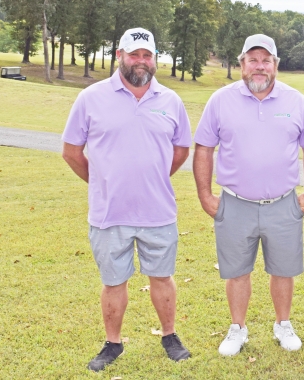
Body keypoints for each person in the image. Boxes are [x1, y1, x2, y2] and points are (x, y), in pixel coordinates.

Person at [61, 27, 192, 371]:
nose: (141, 61)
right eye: (133, 54)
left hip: (157, 211)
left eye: (147, 55)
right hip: (109, 213)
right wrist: (100, 181)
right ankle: (113, 343)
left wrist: (156, 178)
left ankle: (169, 335)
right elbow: (72, 151)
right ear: (119, 55)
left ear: (154, 59)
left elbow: (180, 151)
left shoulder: (171, 101)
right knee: (113, 281)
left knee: (161, 277)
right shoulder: (91, 98)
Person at [192, 34, 304, 356]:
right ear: (241, 64)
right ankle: (238, 328)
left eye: (266, 60)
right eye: (253, 60)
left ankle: (283, 324)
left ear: (275, 65)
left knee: (283, 269)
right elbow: (204, 149)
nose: (259, 67)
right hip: (235, 203)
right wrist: (205, 195)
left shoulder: (295, 101)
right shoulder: (220, 101)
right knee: (237, 271)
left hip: (283, 203)